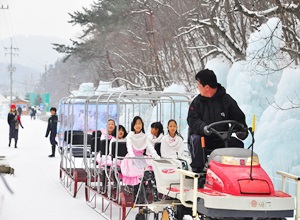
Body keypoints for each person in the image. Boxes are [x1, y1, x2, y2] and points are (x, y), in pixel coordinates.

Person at [187, 69, 248, 173]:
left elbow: (238, 118)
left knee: (238, 144)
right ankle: (198, 172)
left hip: (221, 139)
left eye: (198, 85)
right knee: (196, 140)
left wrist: (242, 130)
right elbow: (192, 120)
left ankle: (237, 173)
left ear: (206, 87)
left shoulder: (226, 100)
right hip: (204, 139)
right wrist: (203, 128)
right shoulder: (197, 103)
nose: (198, 88)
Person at [120, 116, 160, 204]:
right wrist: (132, 156)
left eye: (140, 123)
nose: (138, 126)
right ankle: (137, 198)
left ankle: (147, 196)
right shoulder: (130, 136)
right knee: (137, 173)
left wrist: (155, 155)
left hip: (141, 157)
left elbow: (150, 147)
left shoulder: (144, 136)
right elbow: (129, 147)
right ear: (133, 125)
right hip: (132, 158)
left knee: (147, 172)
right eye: (136, 124)